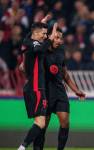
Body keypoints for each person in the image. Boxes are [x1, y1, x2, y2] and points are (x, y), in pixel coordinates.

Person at [33, 27, 85, 150]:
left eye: (60, 38)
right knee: (42, 126)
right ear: (49, 37)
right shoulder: (41, 50)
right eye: (56, 37)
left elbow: (65, 74)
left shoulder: (61, 51)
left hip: (59, 91)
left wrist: (76, 90)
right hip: (44, 92)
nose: (59, 40)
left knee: (65, 121)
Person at [17, 22, 57, 150]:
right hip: (36, 88)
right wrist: (50, 39)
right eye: (44, 34)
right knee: (40, 123)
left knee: (40, 123)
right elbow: (39, 48)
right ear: (35, 33)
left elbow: (30, 41)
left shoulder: (28, 42)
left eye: (46, 34)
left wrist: (42, 22)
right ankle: (22, 147)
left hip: (36, 87)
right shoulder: (34, 44)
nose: (45, 36)